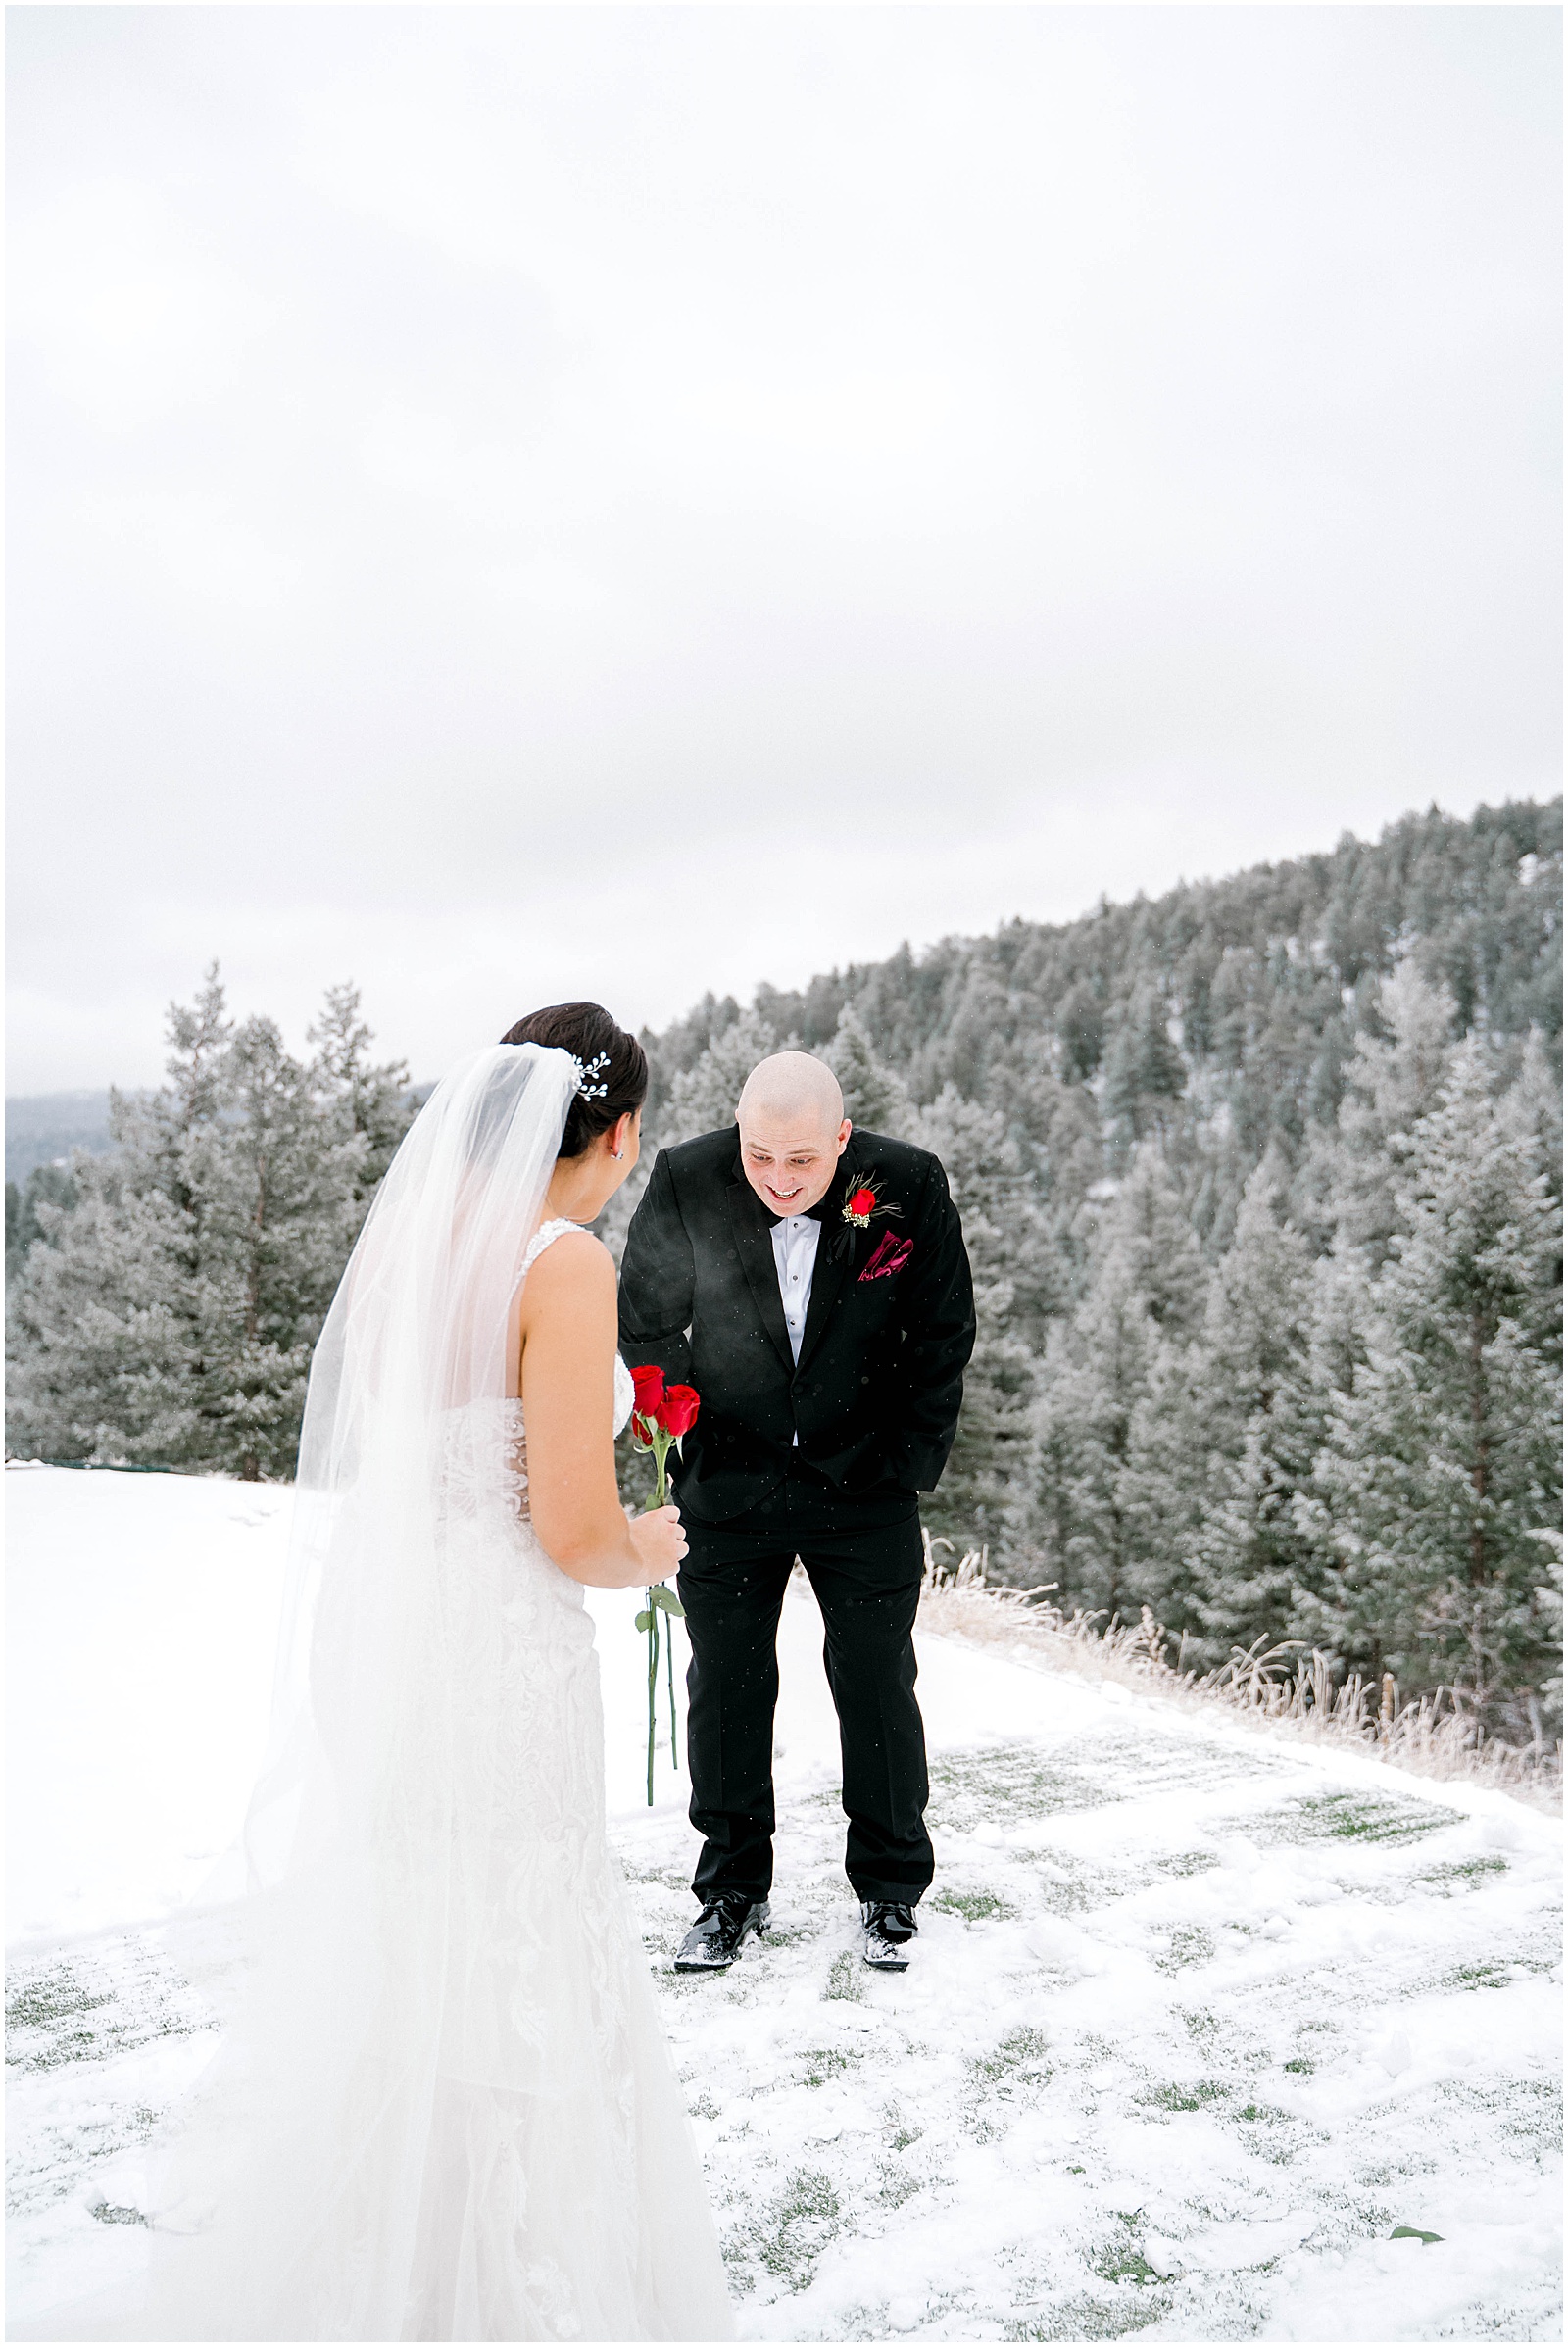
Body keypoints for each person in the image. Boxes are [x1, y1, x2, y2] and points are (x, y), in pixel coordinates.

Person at [32, 1005, 733, 2343]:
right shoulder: (564, 1262)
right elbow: (573, 1529)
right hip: (500, 1650)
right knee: (523, 1928)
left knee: (429, 1928)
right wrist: (650, 1543)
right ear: (624, 1127)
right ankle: (514, 2281)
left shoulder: (422, 1247)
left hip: (393, 1626)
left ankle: (404, 2256)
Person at [617, 1050, 976, 1976]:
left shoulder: (908, 1184)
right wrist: (682, 1433)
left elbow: (944, 1330)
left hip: (865, 1487)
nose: (779, 1179)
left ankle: (891, 1889)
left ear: (843, 1141)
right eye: (761, 1155)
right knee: (727, 1686)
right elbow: (646, 1320)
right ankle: (731, 1890)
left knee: (876, 1680)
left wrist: (905, 1464)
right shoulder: (687, 1177)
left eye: (803, 1162)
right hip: (727, 1484)